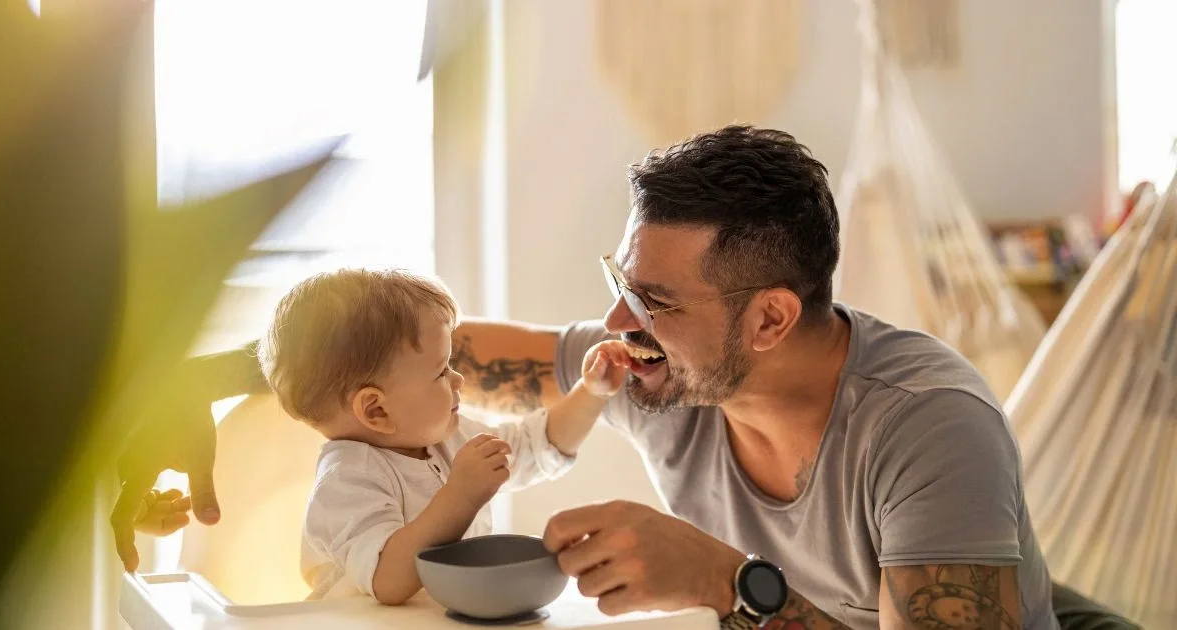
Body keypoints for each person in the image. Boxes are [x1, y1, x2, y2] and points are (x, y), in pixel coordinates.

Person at [116, 125, 1078, 629]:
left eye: (654, 301)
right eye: (619, 283)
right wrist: (205, 379)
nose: (616, 327)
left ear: (771, 318)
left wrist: (727, 583)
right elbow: (424, 358)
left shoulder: (927, 428)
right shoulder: (652, 372)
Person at [258, 268, 628, 601]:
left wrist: (591, 391)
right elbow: (388, 580)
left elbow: (536, 445)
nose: (458, 379)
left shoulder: (447, 436)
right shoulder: (346, 480)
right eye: (440, 372)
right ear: (376, 410)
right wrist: (460, 496)